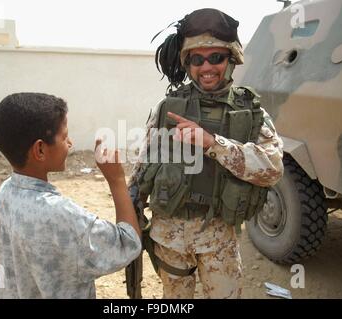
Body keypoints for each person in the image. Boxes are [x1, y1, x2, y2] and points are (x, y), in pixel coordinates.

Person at [129, 8, 284, 298]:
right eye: (197, 59)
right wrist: (130, 217)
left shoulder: (249, 112)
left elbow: (273, 169)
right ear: (187, 63)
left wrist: (213, 144)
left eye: (216, 57)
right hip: (170, 238)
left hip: (218, 240)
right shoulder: (168, 107)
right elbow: (141, 170)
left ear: (232, 58)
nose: (207, 67)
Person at [0, 92, 141, 298]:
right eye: (64, 137)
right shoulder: (59, 214)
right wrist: (116, 180)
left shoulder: (6, 193)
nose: (70, 143)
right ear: (40, 149)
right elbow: (128, 243)